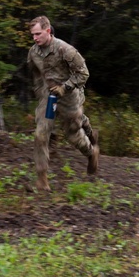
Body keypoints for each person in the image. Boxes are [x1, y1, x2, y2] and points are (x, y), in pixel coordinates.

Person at [27, 16, 99, 192]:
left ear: (48, 31)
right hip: (48, 98)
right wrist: (41, 92)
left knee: (73, 135)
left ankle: (91, 152)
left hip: (69, 98)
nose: (35, 38)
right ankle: (42, 180)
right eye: (32, 35)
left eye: (38, 34)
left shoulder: (64, 49)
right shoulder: (33, 52)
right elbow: (35, 73)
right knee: (40, 135)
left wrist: (65, 87)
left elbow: (83, 73)